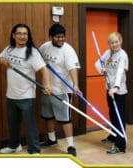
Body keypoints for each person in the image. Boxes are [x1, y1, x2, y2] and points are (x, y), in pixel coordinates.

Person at [0, 23, 51, 154]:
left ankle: (34, 150)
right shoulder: (9, 49)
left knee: (30, 125)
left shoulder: (32, 52)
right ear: (14, 35)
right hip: (11, 94)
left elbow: (44, 69)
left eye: (25, 34)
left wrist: (47, 85)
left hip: (27, 96)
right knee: (13, 124)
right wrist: (3, 60)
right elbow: (0, 58)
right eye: (20, 33)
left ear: (28, 36)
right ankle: (14, 145)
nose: (22, 36)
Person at [39, 23, 81, 156]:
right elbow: (37, 59)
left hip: (63, 90)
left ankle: (70, 145)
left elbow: (72, 68)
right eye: (58, 37)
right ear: (51, 36)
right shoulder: (45, 47)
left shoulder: (68, 50)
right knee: (48, 116)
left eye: (62, 37)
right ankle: (52, 140)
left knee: (65, 119)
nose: (61, 39)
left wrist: (76, 85)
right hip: (47, 88)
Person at [95, 32, 128, 154]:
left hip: (119, 91)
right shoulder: (108, 53)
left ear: (120, 41)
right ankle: (114, 135)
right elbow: (97, 63)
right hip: (109, 89)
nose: (114, 44)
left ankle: (120, 145)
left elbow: (120, 71)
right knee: (113, 115)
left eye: (116, 42)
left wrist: (116, 87)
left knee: (119, 117)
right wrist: (101, 70)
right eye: (111, 42)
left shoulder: (123, 55)